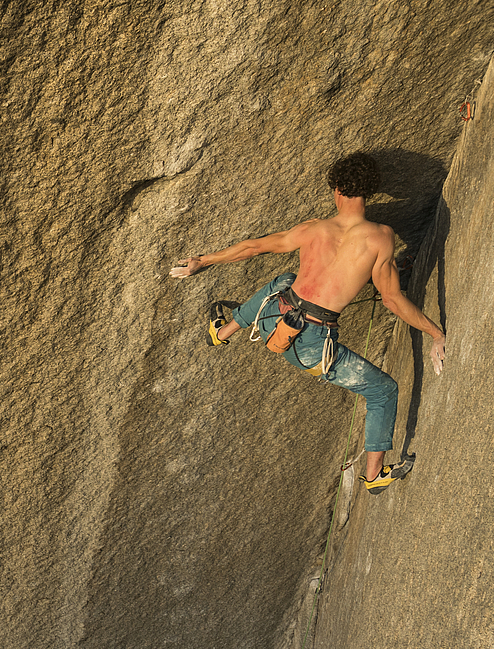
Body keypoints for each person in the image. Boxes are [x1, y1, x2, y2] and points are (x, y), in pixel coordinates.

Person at [168, 151, 447, 493]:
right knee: (382, 391)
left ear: (336, 191)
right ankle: (374, 477)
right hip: (311, 345)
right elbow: (391, 298)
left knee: (286, 278)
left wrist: (203, 260)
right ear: (370, 192)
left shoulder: (314, 229)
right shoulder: (381, 237)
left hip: (273, 316)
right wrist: (435, 333)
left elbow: (254, 247)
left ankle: (224, 331)